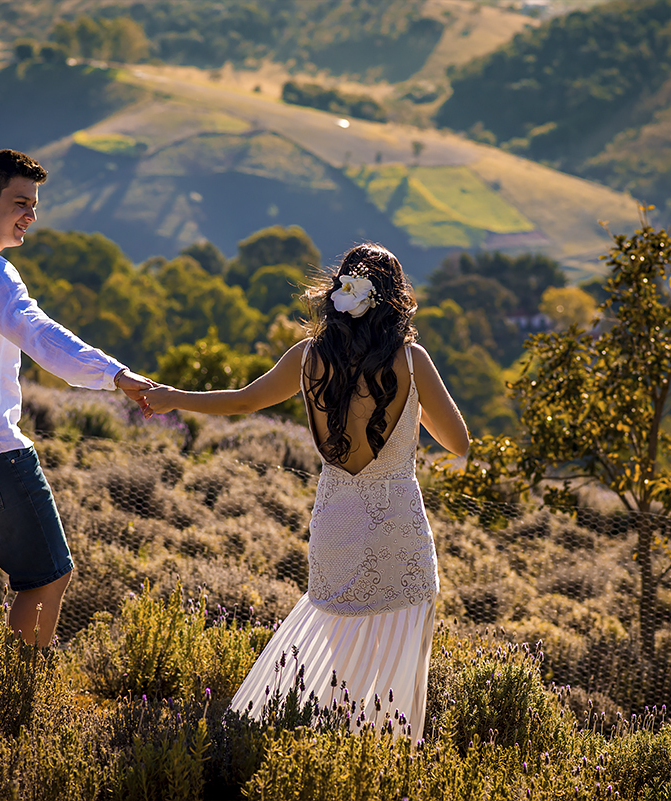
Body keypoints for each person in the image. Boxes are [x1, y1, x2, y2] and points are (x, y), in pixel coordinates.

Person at [140, 243, 468, 736]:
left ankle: (322, 752)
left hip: (335, 528)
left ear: (340, 293)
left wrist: (172, 397)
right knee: (396, 671)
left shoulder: (307, 357)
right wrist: (412, 405)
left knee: (338, 665)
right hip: (399, 534)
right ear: (394, 300)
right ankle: (384, 763)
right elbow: (459, 443)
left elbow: (241, 401)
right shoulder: (412, 361)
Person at [0, 149, 156, 691]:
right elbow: (38, 333)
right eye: (20, 203)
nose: (30, 216)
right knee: (48, 577)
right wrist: (115, 375)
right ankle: (15, 709)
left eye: (35, 206)